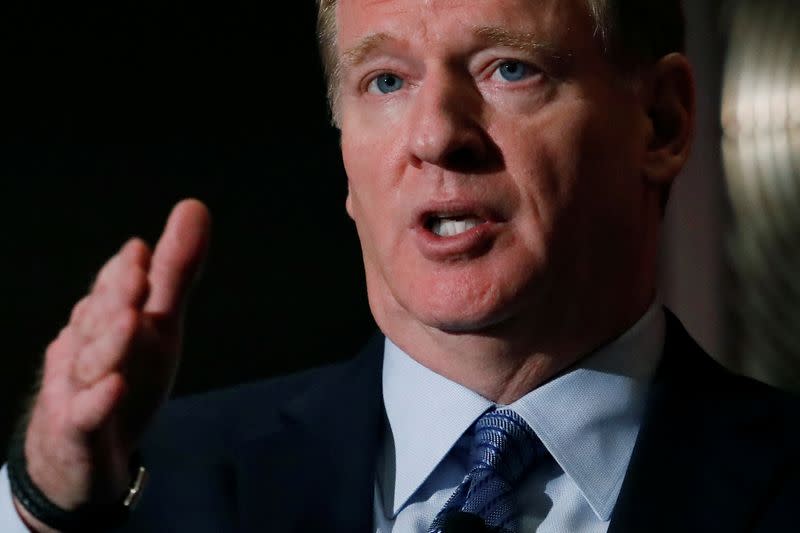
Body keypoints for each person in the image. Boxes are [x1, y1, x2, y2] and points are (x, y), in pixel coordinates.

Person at [2, 0, 799, 531]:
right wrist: (46, 501)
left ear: (661, 122)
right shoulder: (146, 491)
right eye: (386, 81)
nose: (434, 134)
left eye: (507, 69)